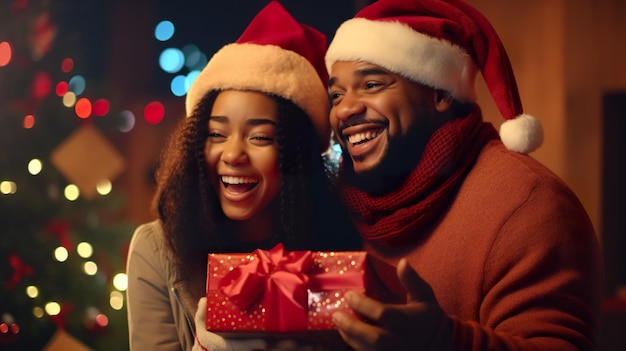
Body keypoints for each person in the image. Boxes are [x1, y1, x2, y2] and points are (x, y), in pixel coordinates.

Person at [324, 0, 603, 350]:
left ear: (440, 94)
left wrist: (444, 340)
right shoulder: (337, 207)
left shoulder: (527, 204)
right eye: (336, 94)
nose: (345, 109)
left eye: (372, 86)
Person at [125, 2, 360, 350]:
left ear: (295, 153)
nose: (233, 155)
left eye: (260, 137)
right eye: (216, 135)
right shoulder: (157, 250)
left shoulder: (336, 248)